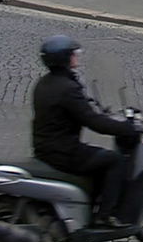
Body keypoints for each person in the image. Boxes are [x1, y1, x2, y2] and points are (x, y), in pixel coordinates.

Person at [31, 36, 135, 225]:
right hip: (64, 152)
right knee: (114, 160)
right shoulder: (68, 88)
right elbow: (93, 121)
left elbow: (81, 109)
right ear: (64, 59)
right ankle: (105, 215)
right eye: (73, 54)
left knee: (96, 158)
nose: (77, 58)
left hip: (44, 148)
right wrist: (125, 128)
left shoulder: (44, 83)